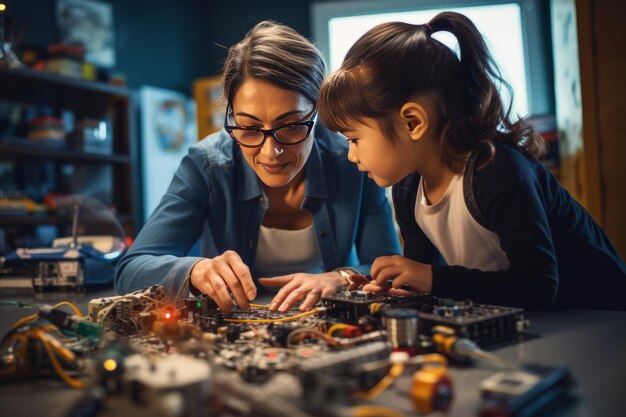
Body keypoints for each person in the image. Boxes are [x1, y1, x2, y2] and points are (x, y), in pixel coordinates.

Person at [318, 12, 626, 310]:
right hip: (535, 324)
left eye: (354, 139)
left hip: (601, 318)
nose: (351, 155)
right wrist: (396, 288)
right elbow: (423, 279)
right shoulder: (408, 188)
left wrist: (428, 277)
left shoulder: (496, 169)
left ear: (412, 122)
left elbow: (538, 285)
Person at [115, 21, 401, 312]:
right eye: (249, 128)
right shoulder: (207, 165)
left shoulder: (354, 163)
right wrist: (195, 270)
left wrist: (341, 278)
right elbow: (131, 269)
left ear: (318, 113)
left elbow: (388, 269)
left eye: (290, 126)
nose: (271, 152)